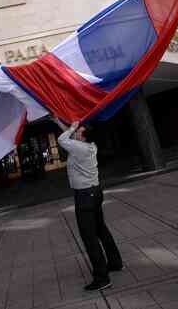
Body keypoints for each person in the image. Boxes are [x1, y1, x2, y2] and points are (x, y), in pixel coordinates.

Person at [52, 117, 123, 291]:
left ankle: (102, 278)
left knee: (89, 237)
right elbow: (69, 136)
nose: (75, 132)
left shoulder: (79, 148)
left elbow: (62, 139)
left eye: (78, 131)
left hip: (85, 196)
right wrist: (57, 121)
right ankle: (115, 262)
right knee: (101, 229)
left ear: (83, 137)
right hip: (95, 192)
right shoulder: (89, 145)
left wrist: (72, 127)